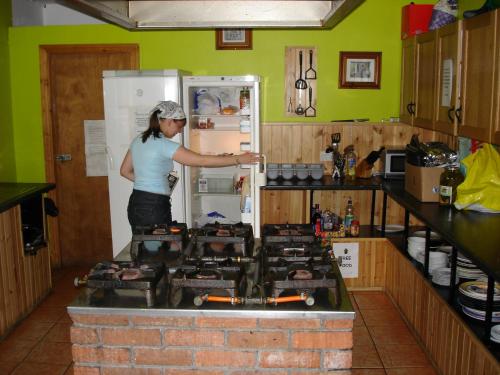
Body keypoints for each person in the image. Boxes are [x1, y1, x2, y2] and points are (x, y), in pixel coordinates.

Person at [120, 100, 260, 231]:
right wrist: (239, 159)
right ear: (169, 121)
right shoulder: (164, 145)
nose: (179, 131)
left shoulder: (139, 140)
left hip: (136, 202)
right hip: (153, 206)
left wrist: (147, 182)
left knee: (143, 246)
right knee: (159, 250)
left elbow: (124, 171)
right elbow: (201, 161)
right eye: (179, 126)